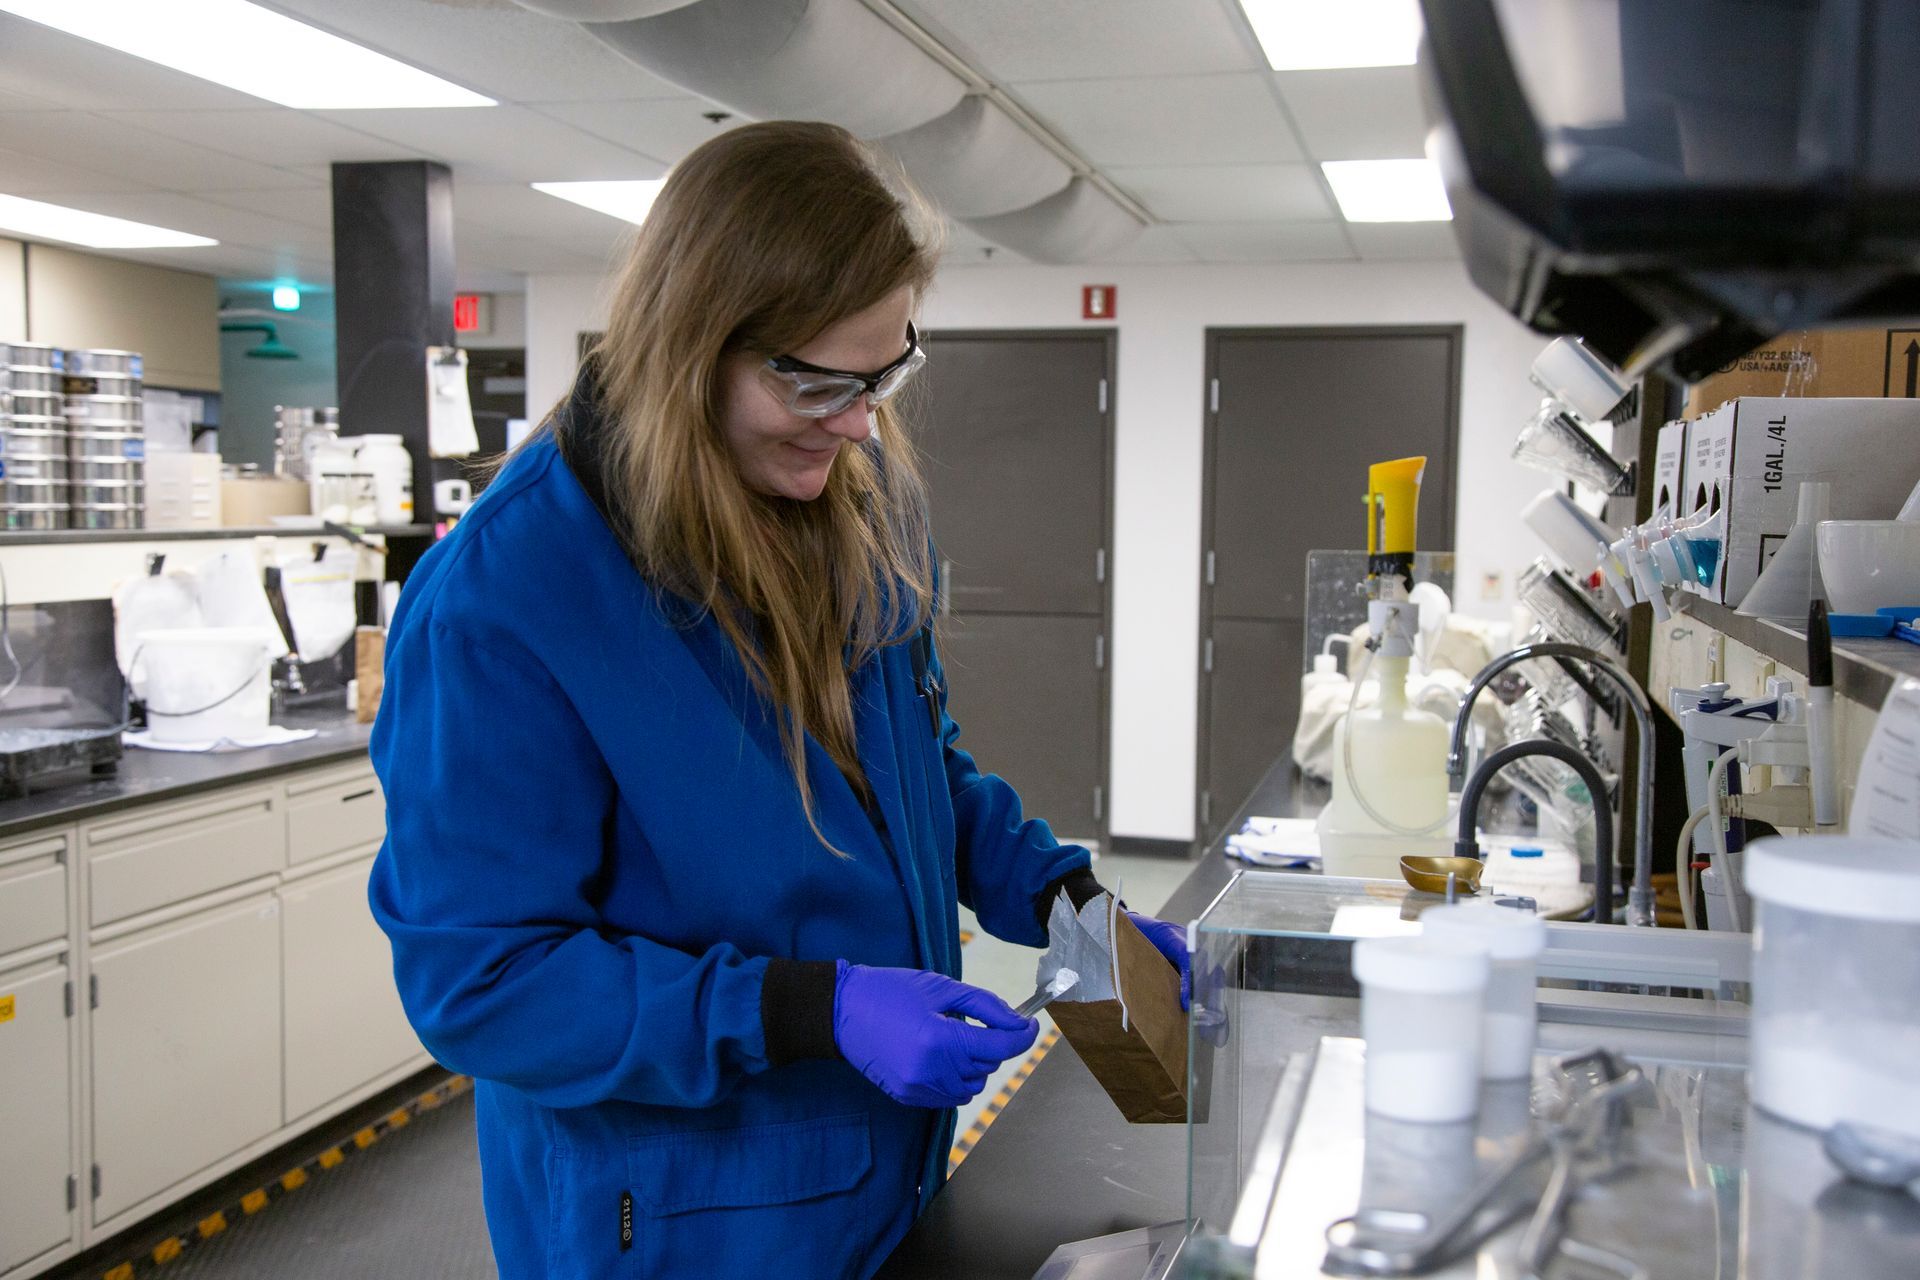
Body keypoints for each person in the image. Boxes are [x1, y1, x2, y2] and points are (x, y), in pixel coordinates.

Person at [368, 120, 1189, 1280]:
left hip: (879, 1188)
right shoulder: (507, 600)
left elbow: (910, 767)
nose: (858, 422)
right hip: (676, 1224)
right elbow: (482, 982)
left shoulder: (850, 495)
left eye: (887, 371)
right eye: (812, 380)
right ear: (688, 343)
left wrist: (1064, 899)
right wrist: (808, 1009)